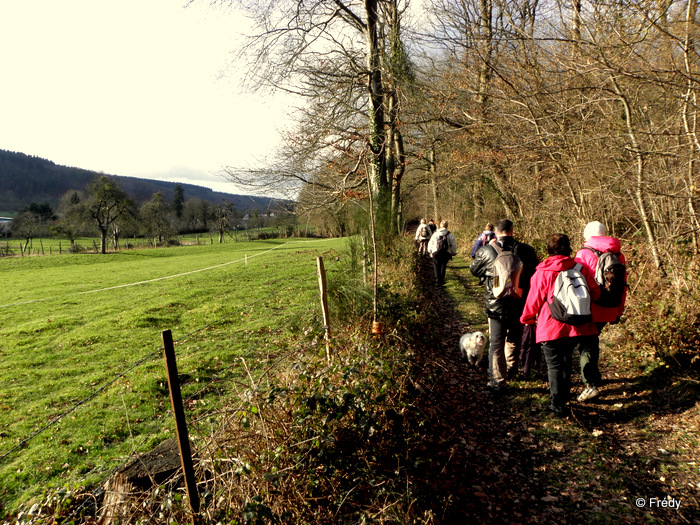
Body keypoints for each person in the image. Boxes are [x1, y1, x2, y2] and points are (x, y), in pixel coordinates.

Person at [520, 233, 601, 416]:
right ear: (569, 248)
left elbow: (533, 299)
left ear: (548, 249)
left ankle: (557, 405)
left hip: (551, 326)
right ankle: (564, 399)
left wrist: (527, 318)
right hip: (577, 325)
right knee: (566, 362)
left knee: (554, 365)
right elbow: (595, 293)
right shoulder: (581, 268)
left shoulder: (543, 271)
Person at [470, 219, 539, 392]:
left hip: (496, 304)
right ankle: (511, 369)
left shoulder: (487, 250)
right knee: (515, 339)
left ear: (496, 232)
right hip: (519, 303)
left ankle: (497, 380)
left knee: (496, 342)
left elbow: (474, 270)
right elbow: (534, 273)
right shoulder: (526, 250)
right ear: (512, 230)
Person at [573, 221, 628, 402]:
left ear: (588, 236)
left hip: (589, 308)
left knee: (587, 344)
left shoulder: (583, 254)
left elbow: (574, 284)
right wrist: (618, 311)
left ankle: (590, 385)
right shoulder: (618, 255)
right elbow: (622, 287)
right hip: (609, 307)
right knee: (592, 339)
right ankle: (594, 377)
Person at [428, 220, 458, 285]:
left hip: (436, 252)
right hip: (446, 252)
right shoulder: (450, 234)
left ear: (440, 225)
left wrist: (430, 251)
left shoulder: (435, 234)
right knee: (443, 266)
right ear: (447, 226)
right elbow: (453, 244)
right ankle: (442, 280)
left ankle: (437, 280)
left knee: (436, 266)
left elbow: (431, 243)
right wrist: (453, 252)